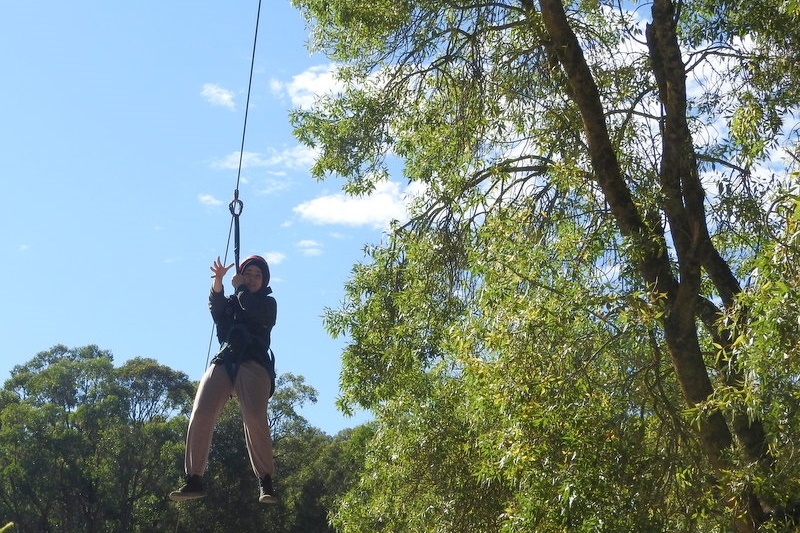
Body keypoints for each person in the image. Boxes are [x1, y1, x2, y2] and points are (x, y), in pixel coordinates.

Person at [169, 255, 278, 504]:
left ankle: (265, 481)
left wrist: (239, 286)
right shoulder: (231, 302)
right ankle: (194, 478)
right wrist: (218, 281)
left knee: (253, 416)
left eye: (257, 275)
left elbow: (252, 308)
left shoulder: (268, 304)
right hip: (225, 360)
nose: (251, 279)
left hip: (254, 363)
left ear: (264, 281)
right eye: (247, 274)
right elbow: (216, 307)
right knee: (201, 413)